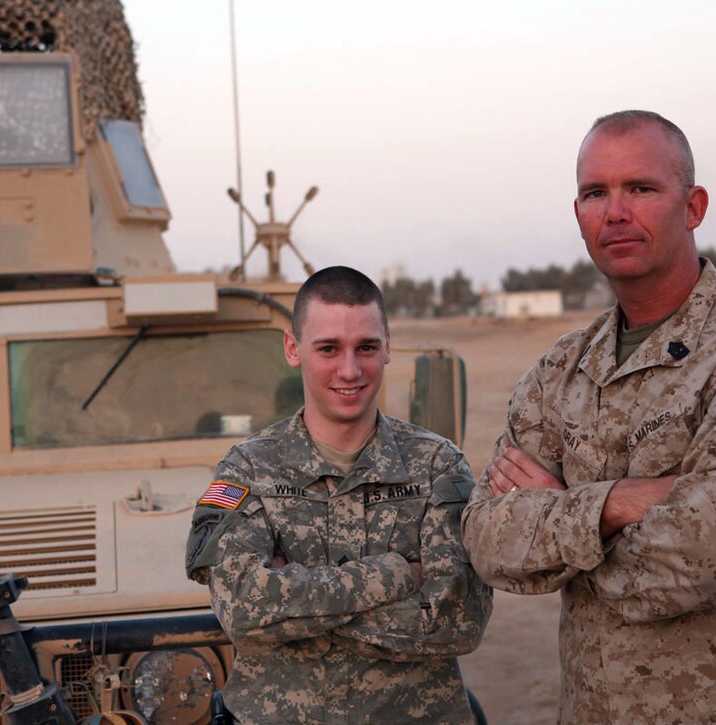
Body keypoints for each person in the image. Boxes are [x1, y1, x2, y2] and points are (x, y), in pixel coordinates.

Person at [462, 110, 716, 723]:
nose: (615, 212)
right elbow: (488, 540)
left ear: (693, 206)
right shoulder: (562, 367)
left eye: (640, 188)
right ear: (578, 213)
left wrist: (561, 515)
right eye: (595, 193)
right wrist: (617, 505)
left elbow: (709, 556)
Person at [186, 265, 492, 724]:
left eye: (366, 347)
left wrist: (293, 611)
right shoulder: (247, 467)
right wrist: (396, 576)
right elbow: (243, 614)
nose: (349, 370)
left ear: (387, 346)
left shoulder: (437, 465)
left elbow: (458, 620)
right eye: (328, 348)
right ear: (293, 348)